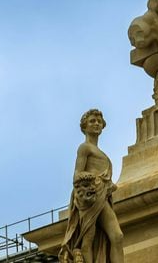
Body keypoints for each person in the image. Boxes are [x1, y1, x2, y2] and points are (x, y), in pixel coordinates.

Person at [59, 110, 124, 263]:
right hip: (90, 196)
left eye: (99, 121)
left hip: (102, 195)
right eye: (92, 121)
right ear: (84, 126)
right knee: (88, 237)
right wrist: (90, 177)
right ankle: (79, 253)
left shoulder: (100, 152)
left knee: (117, 236)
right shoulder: (84, 148)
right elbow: (76, 175)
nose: (96, 124)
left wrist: (109, 185)